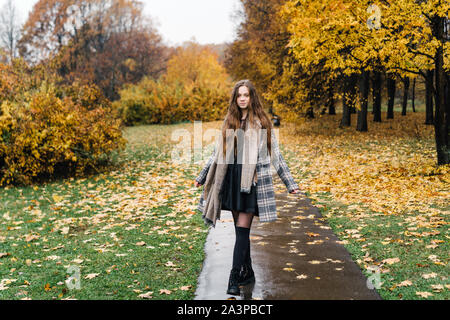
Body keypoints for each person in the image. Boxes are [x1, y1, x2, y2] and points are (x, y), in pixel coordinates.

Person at [194, 79, 302, 296]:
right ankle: (248, 271)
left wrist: (290, 184)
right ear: (235, 98)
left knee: (242, 231)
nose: (242, 98)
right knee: (240, 232)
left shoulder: (262, 122)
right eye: (239, 95)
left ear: (252, 97)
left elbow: (276, 155)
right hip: (232, 180)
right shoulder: (230, 120)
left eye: (246, 95)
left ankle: (233, 277)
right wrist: (203, 176)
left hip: (250, 183)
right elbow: (217, 154)